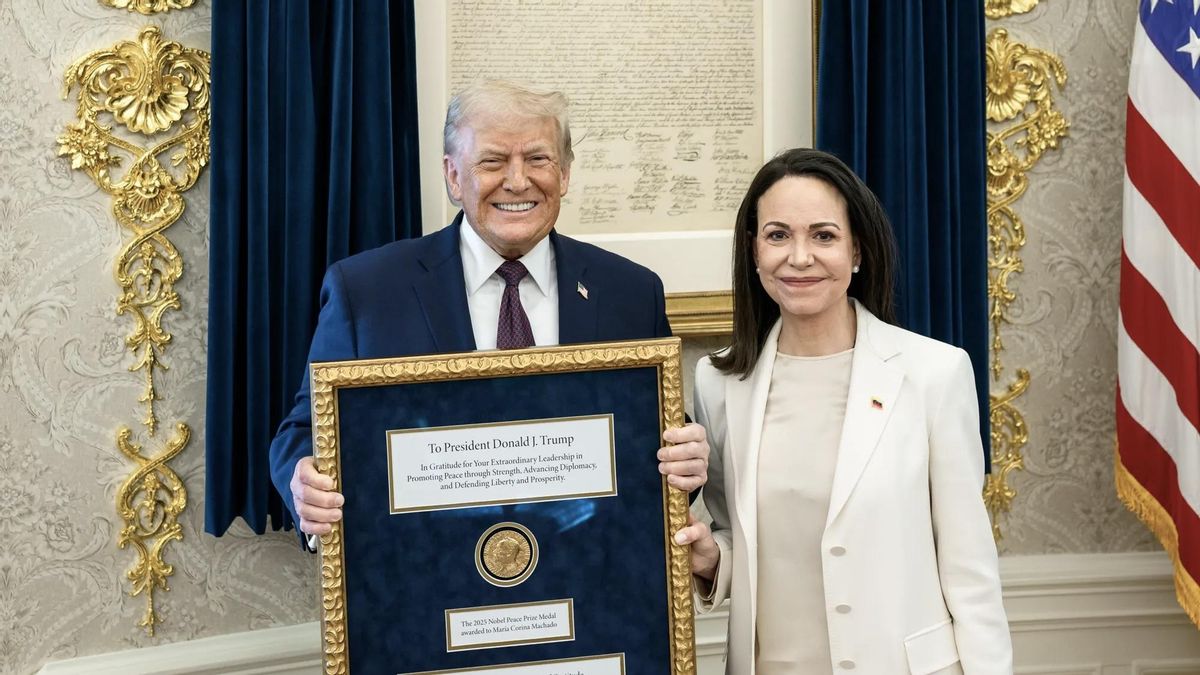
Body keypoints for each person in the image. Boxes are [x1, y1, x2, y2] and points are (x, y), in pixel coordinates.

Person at [269, 81, 709, 542]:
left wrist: (687, 459)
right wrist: (305, 482)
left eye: (538, 159)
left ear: (565, 173)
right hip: (423, 579)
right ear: (454, 176)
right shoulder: (367, 292)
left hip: (587, 576)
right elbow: (304, 431)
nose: (518, 181)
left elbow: (655, 439)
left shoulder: (631, 292)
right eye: (493, 161)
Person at [675, 149, 1011, 674]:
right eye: (778, 235)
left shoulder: (934, 374)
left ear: (857, 251)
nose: (800, 257)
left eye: (824, 236)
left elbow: (970, 570)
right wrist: (712, 559)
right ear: (754, 251)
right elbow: (740, 536)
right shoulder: (718, 383)